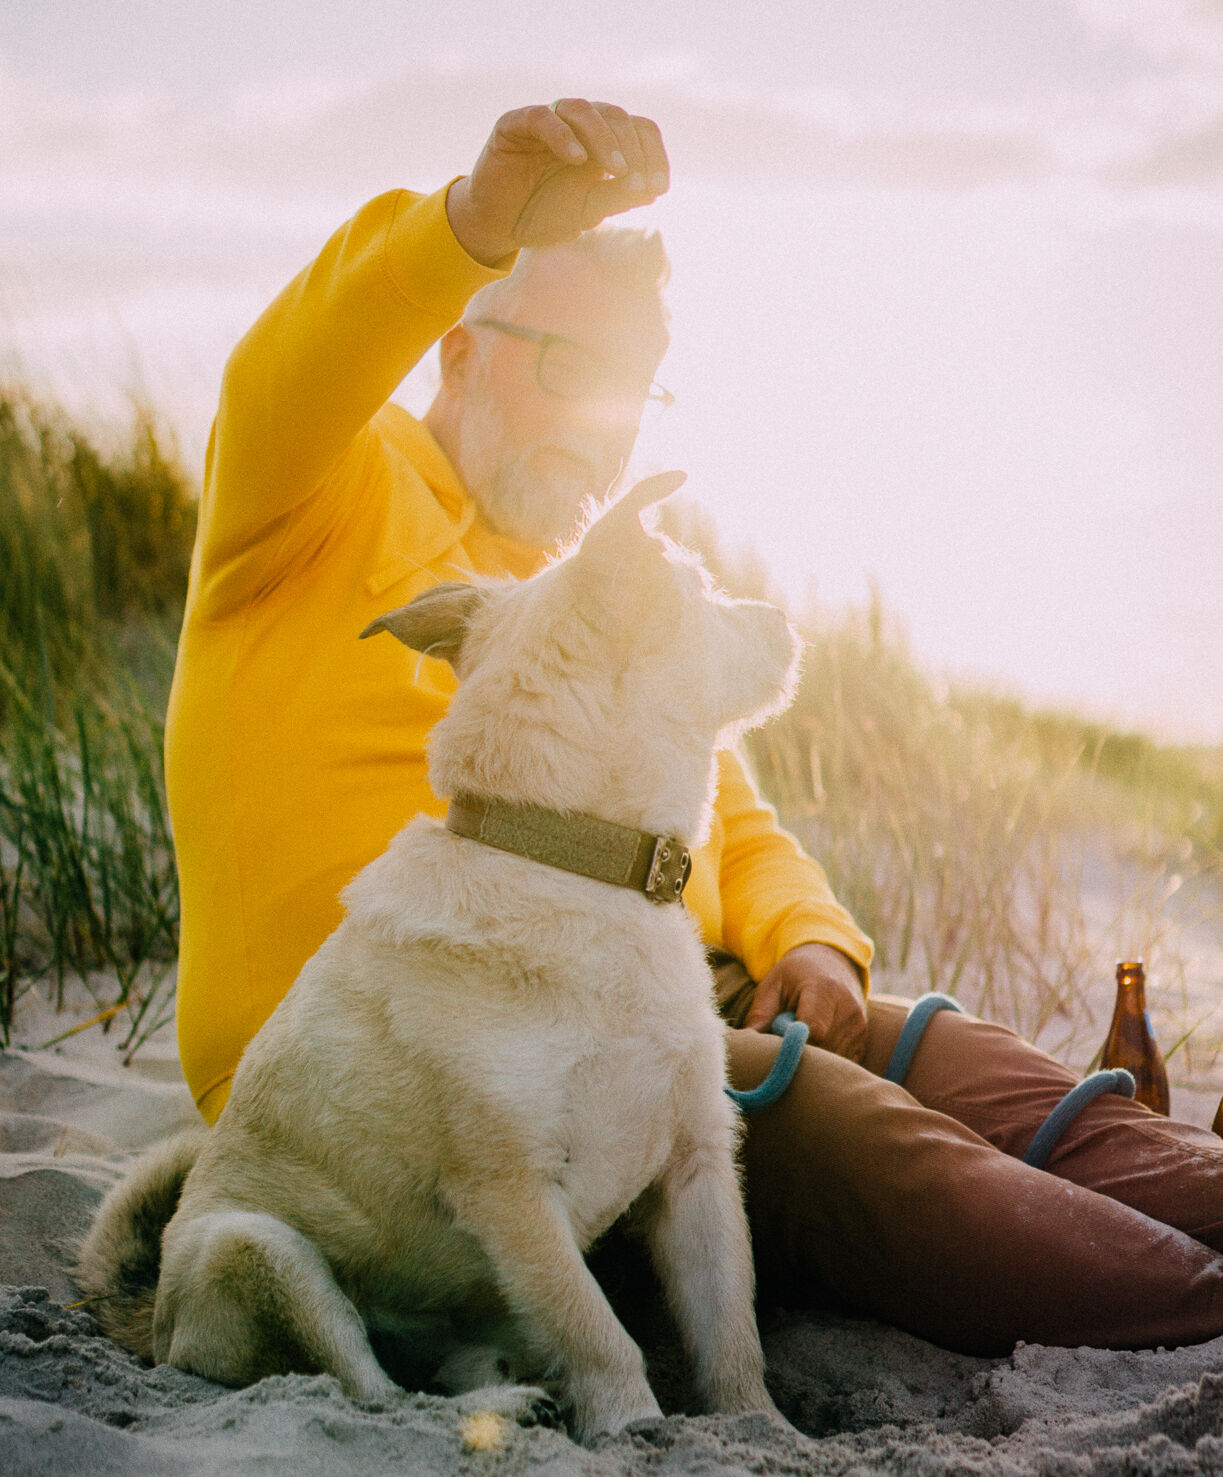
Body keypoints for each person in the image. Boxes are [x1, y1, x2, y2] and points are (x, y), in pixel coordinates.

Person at [166, 98, 1223, 1361]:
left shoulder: (602, 579)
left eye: (630, 393)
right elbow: (289, 365)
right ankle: (1190, 1306)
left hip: (642, 992)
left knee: (953, 1056)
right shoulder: (316, 497)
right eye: (569, 368)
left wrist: (812, 942)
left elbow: (735, 809)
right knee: (833, 1119)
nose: (598, 431)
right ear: (455, 349)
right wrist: (470, 224)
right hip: (405, 1062)